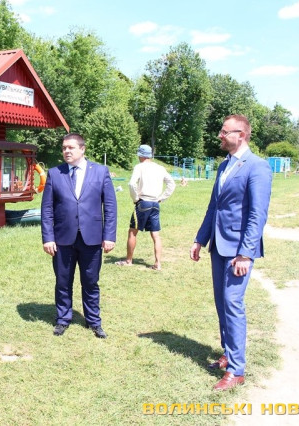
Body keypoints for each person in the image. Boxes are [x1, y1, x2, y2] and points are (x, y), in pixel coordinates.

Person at [189, 115, 272, 391]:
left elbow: (257, 215)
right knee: (222, 302)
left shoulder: (258, 167)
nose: (220, 136)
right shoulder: (224, 165)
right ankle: (228, 352)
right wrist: (200, 239)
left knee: (232, 303)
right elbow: (214, 206)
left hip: (238, 250)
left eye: (225, 132)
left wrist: (246, 254)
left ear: (241, 135)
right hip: (218, 245)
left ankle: (236, 370)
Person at [41, 133, 117, 338]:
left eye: (71, 147)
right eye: (64, 148)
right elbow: (47, 209)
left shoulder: (100, 172)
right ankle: (63, 319)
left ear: (82, 149)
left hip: (92, 238)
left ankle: (93, 321)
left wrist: (109, 236)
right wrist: (48, 238)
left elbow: (110, 207)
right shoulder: (55, 173)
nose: (66, 151)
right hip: (62, 239)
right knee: (63, 281)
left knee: (90, 281)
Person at [115, 144, 175, 270]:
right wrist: (162, 198)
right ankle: (158, 263)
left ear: (140, 155)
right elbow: (171, 184)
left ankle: (128, 260)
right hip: (155, 204)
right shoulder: (160, 168)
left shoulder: (139, 167)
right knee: (156, 235)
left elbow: (132, 184)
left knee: (132, 232)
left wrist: (135, 199)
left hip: (143, 202)